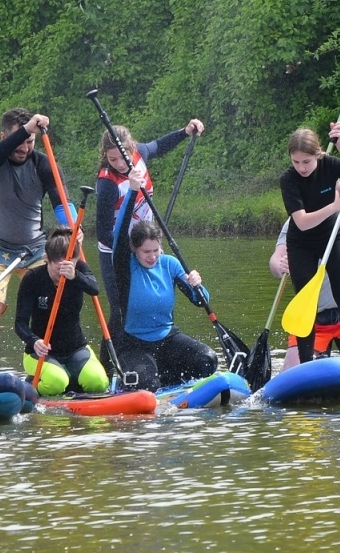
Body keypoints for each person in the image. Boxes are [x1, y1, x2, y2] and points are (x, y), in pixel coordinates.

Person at [271, 139, 340, 365]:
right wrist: (279, 265)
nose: (302, 168)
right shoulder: (294, 222)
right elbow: (277, 258)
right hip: (313, 317)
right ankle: (306, 364)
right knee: (294, 363)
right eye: (296, 162)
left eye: (306, 162)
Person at [0, 109, 69, 374]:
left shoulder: (43, 163)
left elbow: (61, 202)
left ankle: (56, 364)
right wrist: (26, 129)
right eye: (19, 141)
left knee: (54, 301)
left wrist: (73, 227)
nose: (25, 148)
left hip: (36, 249)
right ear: (4, 136)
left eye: (30, 141)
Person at [94, 119, 204, 312]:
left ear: (132, 148)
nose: (120, 164)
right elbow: (103, 234)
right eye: (112, 159)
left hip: (147, 247)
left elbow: (159, 146)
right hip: (116, 253)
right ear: (105, 156)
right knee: (121, 311)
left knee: (152, 304)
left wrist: (185, 132)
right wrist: (135, 248)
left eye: (123, 156)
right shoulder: (107, 185)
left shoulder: (140, 154)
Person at [113, 215, 217, 388]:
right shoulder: (125, 266)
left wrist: (197, 285)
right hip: (134, 345)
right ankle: (145, 380)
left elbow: (201, 301)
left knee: (208, 359)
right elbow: (119, 233)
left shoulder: (170, 264)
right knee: (148, 384)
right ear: (134, 249)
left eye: (156, 250)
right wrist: (131, 197)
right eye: (146, 252)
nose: (152, 257)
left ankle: (166, 379)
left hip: (168, 338)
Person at [14, 228, 110, 396]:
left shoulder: (79, 269)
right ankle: (32, 387)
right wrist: (34, 341)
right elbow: (20, 324)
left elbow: (94, 289)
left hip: (75, 348)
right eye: (58, 269)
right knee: (56, 383)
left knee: (98, 382)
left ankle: (73, 383)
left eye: (67, 268)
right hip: (40, 352)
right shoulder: (32, 278)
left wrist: (75, 276)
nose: (62, 275)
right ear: (47, 260)